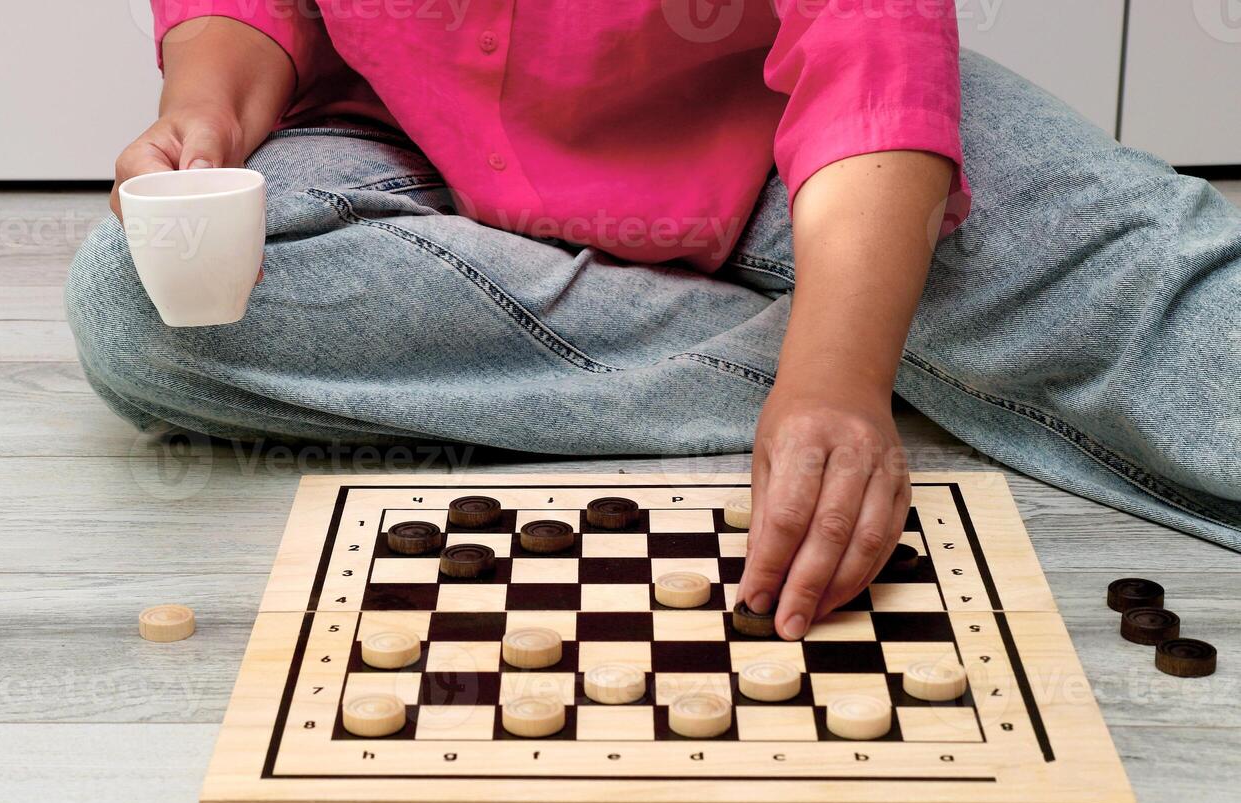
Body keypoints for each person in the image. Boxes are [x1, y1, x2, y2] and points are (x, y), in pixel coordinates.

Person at [67, 2, 1241, 640]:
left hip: (793, 137)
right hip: (409, 143)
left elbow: (869, 38)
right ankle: (862, 363)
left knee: (1197, 338)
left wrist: (842, 357)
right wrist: (204, 113)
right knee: (142, 297)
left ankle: (848, 341)